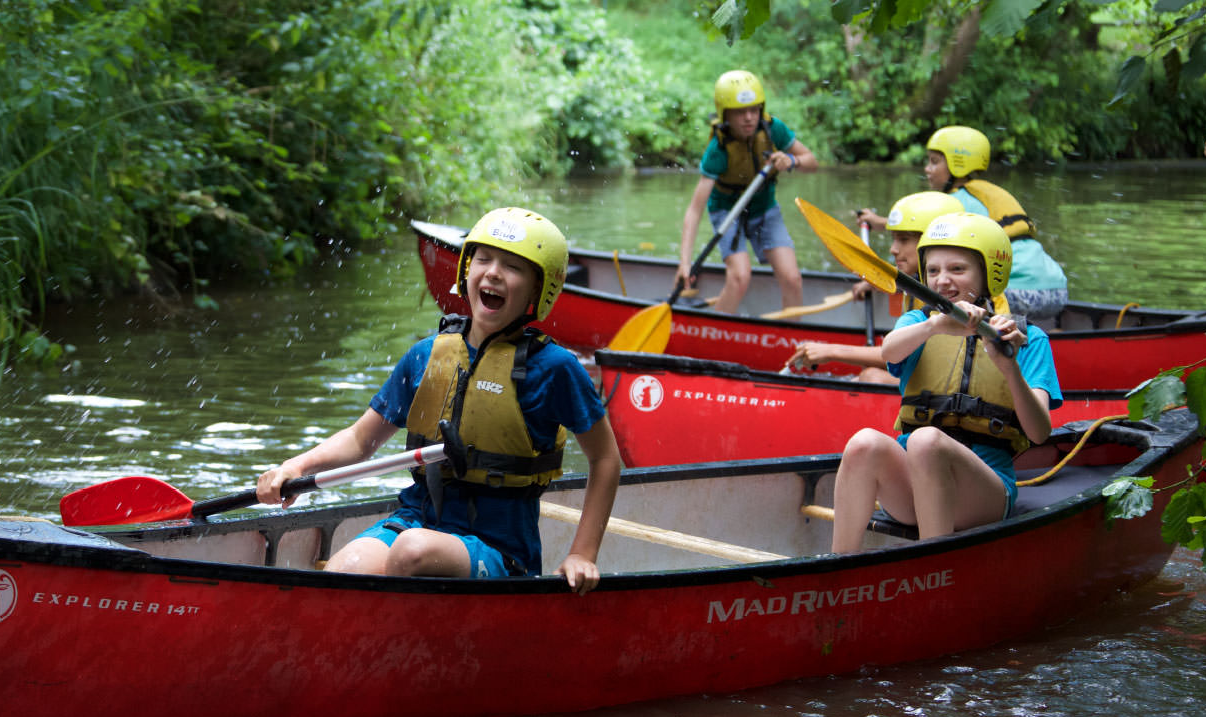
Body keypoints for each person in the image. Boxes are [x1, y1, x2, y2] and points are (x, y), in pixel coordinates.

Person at [255, 207, 621, 594]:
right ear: (467, 269)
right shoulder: (427, 356)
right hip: (418, 518)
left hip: (501, 547)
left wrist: (583, 553)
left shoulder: (556, 369)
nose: (493, 272)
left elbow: (605, 458)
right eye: (483, 259)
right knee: (347, 568)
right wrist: (293, 467)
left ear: (538, 288)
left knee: (412, 552)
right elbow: (361, 440)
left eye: (512, 266)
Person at [829, 212, 1062, 554]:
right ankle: (837, 568)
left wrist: (1008, 367)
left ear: (989, 274)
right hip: (911, 490)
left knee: (926, 442)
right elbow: (889, 351)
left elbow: (1039, 432)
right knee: (864, 443)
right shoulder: (917, 323)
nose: (941, 281)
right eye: (934, 270)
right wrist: (934, 326)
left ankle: (933, 565)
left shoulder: (1027, 339)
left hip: (983, 496)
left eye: (957, 269)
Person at [857, 126, 1068, 323]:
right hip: (1056, 290)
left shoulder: (958, 204)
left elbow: (922, 234)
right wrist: (880, 223)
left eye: (934, 162)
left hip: (1019, 291)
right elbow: (916, 226)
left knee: (936, 283)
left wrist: (880, 280)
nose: (927, 169)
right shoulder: (983, 194)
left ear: (958, 164)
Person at [675, 69, 817, 314]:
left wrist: (792, 162)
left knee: (792, 278)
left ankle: (793, 344)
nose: (749, 118)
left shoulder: (773, 129)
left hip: (764, 210)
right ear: (725, 114)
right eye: (740, 112)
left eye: (754, 109)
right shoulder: (717, 150)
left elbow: (812, 162)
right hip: (727, 214)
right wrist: (684, 263)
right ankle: (715, 335)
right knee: (740, 276)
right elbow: (694, 211)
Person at [786, 191, 965, 383]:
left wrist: (832, 350)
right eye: (894, 239)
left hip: (940, 385)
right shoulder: (923, 285)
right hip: (927, 376)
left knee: (871, 377)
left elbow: (896, 354)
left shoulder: (949, 296)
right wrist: (877, 283)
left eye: (903, 240)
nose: (893, 249)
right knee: (865, 372)